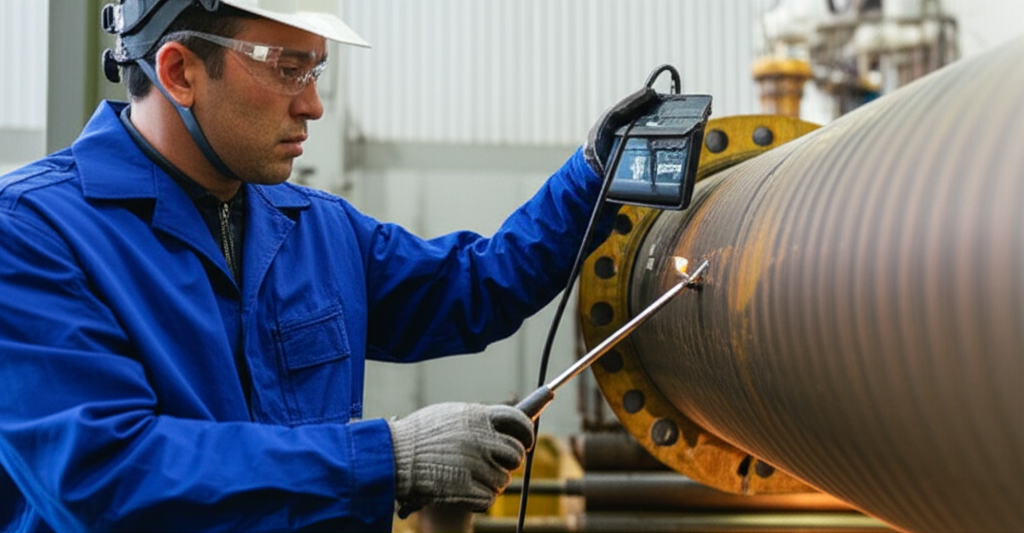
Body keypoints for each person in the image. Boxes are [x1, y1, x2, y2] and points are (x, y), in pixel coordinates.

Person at [0, 1, 656, 531]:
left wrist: (588, 178)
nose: (312, 105)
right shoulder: (36, 232)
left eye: (317, 71)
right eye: (289, 69)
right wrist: (387, 459)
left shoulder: (314, 226)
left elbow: (471, 287)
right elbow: (102, 475)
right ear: (179, 72)